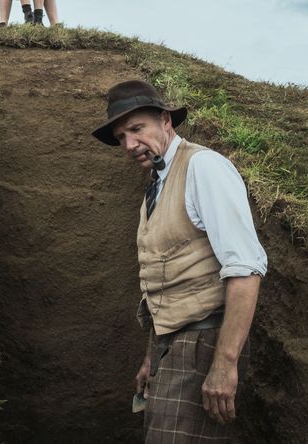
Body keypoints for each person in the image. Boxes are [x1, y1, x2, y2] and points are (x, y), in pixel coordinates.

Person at [92, 80, 267, 443]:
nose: (129, 144)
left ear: (166, 120)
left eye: (137, 129)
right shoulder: (157, 184)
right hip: (174, 345)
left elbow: (246, 269)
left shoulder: (202, 167)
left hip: (205, 341)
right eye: (121, 136)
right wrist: (152, 358)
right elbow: (168, 280)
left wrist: (224, 363)